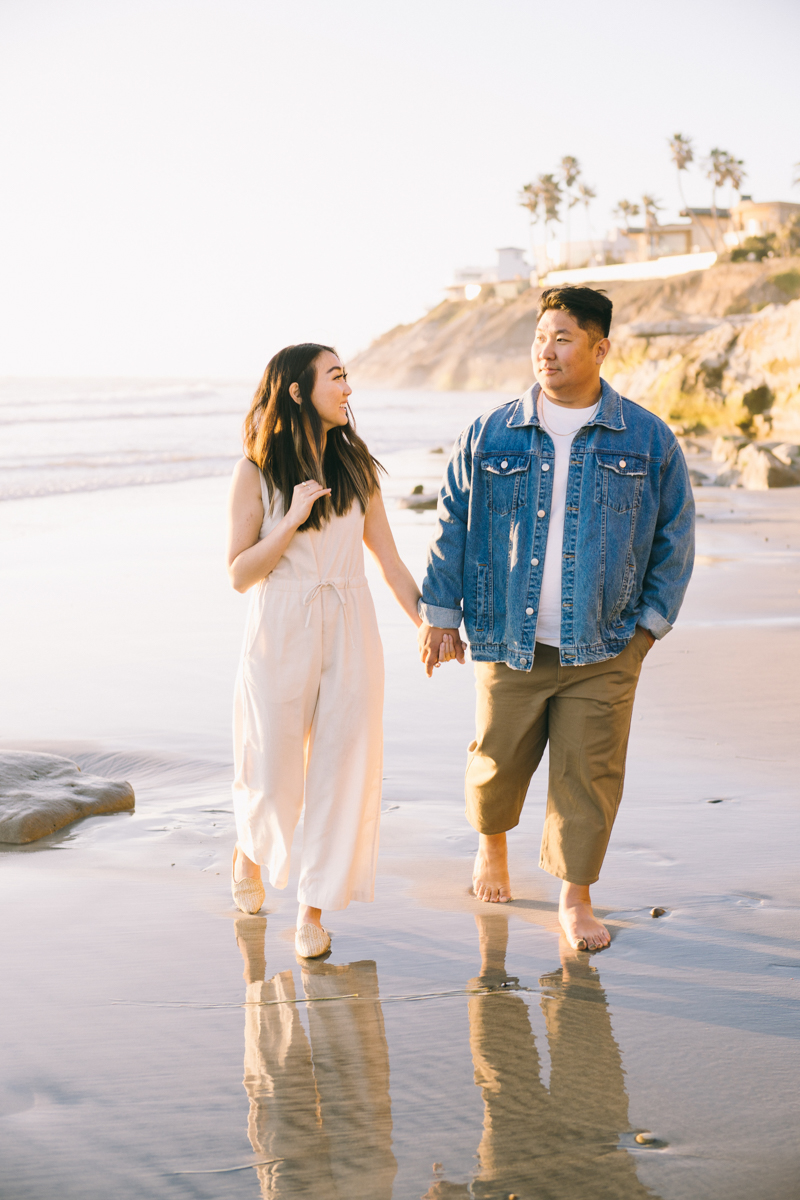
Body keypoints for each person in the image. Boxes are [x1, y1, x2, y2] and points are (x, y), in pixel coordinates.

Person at [418, 286, 694, 950]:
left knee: (589, 775)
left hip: (605, 645)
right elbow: (453, 520)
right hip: (507, 638)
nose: (548, 349)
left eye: (564, 337)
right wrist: (440, 614)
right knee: (495, 763)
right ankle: (492, 847)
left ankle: (576, 899)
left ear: (601, 348)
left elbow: (675, 536)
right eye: (541, 336)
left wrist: (647, 630)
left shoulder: (648, 438)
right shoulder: (491, 433)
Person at [227, 343, 436, 958]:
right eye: (336, 377)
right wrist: (289, 518)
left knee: (342, 767)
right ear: (297, 391)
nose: (348, 389)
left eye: (348, 377)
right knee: (273, 774)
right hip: (281, 624)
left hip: (350, 623)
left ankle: (311, 909)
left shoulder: (357, 468)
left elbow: (391, 564)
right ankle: (249, 848)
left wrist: (430, 622)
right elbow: (240, 574)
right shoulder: (255, 470)